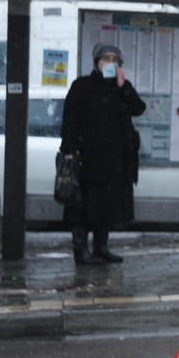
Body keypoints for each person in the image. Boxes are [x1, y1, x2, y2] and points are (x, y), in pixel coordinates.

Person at [60, 43, 146, 265]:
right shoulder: (82, 86)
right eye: (105, 58)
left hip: (115, 161)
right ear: (96, 62)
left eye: (114, 59)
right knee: (83, 205)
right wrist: (69, 150)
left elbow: (139, 108)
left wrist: (123, 85)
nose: (109, 62)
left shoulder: (120, 88)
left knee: (107, 207)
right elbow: (70, 120)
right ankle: (80, 249)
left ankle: (101, 247)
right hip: (88, 158)